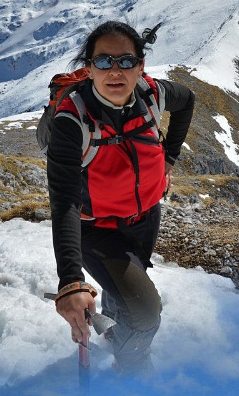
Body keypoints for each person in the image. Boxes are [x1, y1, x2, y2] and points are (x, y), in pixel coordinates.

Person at [46, 20, 195, 373]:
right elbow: (64, 200)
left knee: (127, 286)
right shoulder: (72, 121)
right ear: (89, 67)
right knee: (145, 313)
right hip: (96, 229)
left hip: (144, 217)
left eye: (126, 62)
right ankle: (132, 366)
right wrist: (71, 281)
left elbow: (188, 100)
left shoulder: (152, 94)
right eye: (103, 62)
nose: (115, 71)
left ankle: (115, 321)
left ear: (140, 66)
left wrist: (169, 159)